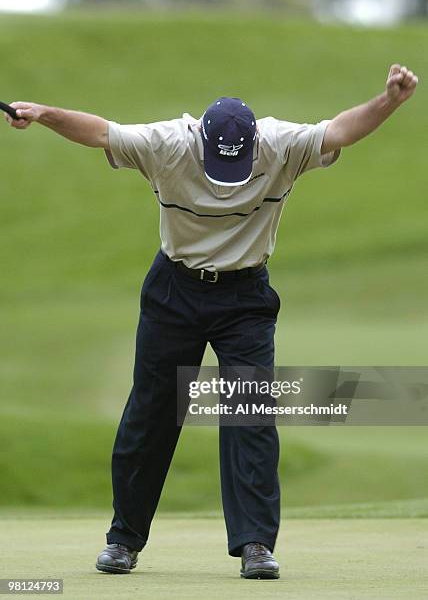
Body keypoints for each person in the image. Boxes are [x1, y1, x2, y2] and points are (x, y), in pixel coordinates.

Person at [4, 64, 418, 580]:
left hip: (244, 297)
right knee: (151, 414)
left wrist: (389, 102)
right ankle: (123, 539)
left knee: (250, 416)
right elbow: (99, 131)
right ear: (198, 141)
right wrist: (44, 114)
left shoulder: (280, 143)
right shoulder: (166, 143)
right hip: (173, 291)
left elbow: (340, 130)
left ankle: (255, 546)